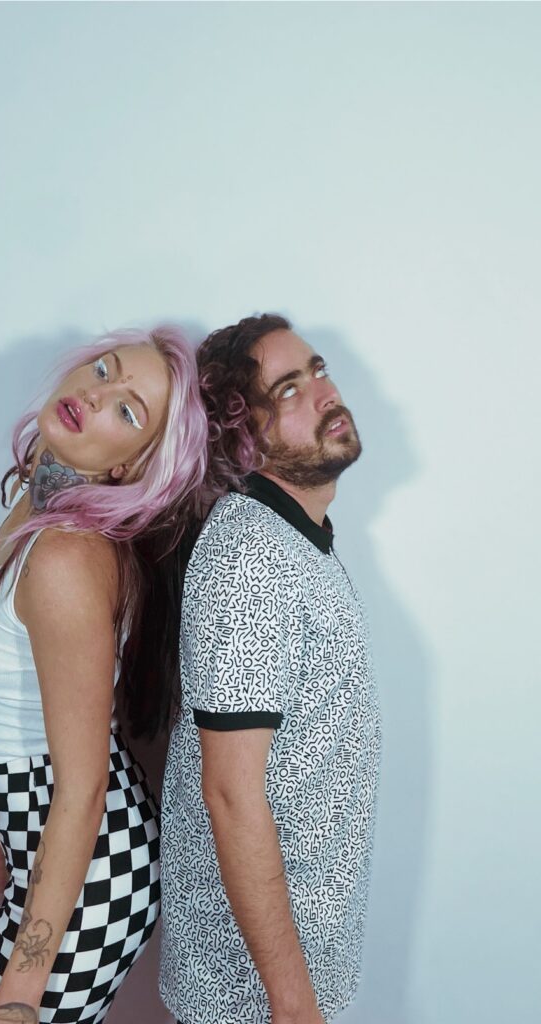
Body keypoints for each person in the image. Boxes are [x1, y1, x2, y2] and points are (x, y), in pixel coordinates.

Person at [0, 326, 207, 1024]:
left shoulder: (66, 558)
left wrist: (20, 993)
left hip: (93, 873)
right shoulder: (40, 495)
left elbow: (83, 786)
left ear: (129, 466)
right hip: (48, 834)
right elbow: (43, 699)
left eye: (128, 410)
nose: (96, 395)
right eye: (104, 370)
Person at [159, 314, 383, 1024]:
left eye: (317, 370)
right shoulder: (249, 560)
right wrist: (290, 1001)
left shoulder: (293, 538)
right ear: (244, 438)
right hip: (248, 991)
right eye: (288, 389)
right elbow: (229, 793)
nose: (325, 393)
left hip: (296, 965)